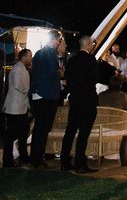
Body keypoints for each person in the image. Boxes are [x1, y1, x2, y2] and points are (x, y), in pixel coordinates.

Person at [61, 35, 100, 172]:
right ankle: (80, 163)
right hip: (87, 100)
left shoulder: (72, 60)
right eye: (92, 44)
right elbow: (94, 78)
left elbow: (68, 79)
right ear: (88, 44)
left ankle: (64, 161)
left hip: (75, 100)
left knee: (70, 131)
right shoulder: (90, 60)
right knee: (83, 133)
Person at [29, 30, 63, 168]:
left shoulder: (38, 53)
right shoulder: (50, 53)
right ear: (56, 39)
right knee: (43, 128)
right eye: (59, 40)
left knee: (38, 128)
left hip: (38, 94)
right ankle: (38, 158)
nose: (59, 43)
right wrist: (60, 73)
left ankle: (35, 157)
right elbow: (52, 73)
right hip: (47, 95)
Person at [2, 48, 32, 167]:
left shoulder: (22, 68)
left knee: (22, 132)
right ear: (23, 57)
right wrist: (27, 90)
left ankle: (22, 156)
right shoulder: (17, 69)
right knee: (12, 134)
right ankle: (9, 159)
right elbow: (18, 85)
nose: (30, 58)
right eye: (29, 56)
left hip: (20, 107)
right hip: (15, 108)